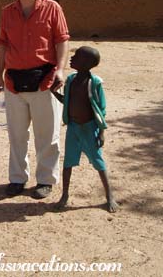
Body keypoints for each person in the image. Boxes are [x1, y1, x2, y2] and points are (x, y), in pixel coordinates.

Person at [0, 0, 70, 199]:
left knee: (47, 134)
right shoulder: (7, 12)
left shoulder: (52, 8)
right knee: (16, 134)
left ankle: (45, 180)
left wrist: (60, 69)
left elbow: (62, 40)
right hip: (14, 82)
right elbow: (3, 44)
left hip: (45, 80)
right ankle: (17, 179)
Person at [50, 46, 118, 212]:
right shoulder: (71, 80)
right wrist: (54, 92)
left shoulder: (94, 83)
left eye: (77, 56)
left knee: (98, 162)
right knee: (68, 163)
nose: (72, 58)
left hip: (89, 128)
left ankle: (110, 196)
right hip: (73, 128)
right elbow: (67, 101)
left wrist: (101, 132)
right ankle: (64, 195)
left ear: (87, 63)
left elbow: (101, 109)